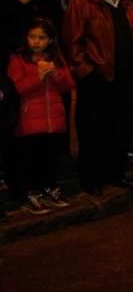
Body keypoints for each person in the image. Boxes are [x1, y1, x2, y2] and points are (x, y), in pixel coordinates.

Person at [63, 0, 133, 195]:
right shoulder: (82, 2)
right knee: (93, 130)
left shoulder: (127, 3)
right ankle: (91, 179)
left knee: (120, 128)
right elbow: (72, 42)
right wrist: (86, 72)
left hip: (126, 78)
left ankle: (114, 174)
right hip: (97, 78)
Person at [6, 18, 74, 214]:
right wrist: (38, 77)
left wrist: (55, 75)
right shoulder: (18, 60)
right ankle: (30, 192)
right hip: (29, 120)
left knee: (49, 158)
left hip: (53, 120)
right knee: (30, 159)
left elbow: (68, 85)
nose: (36, 41)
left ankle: (48, 187)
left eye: (41, 38)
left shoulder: (57, 59)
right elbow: (16, 89)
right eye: (32, 37)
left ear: (50, 40)